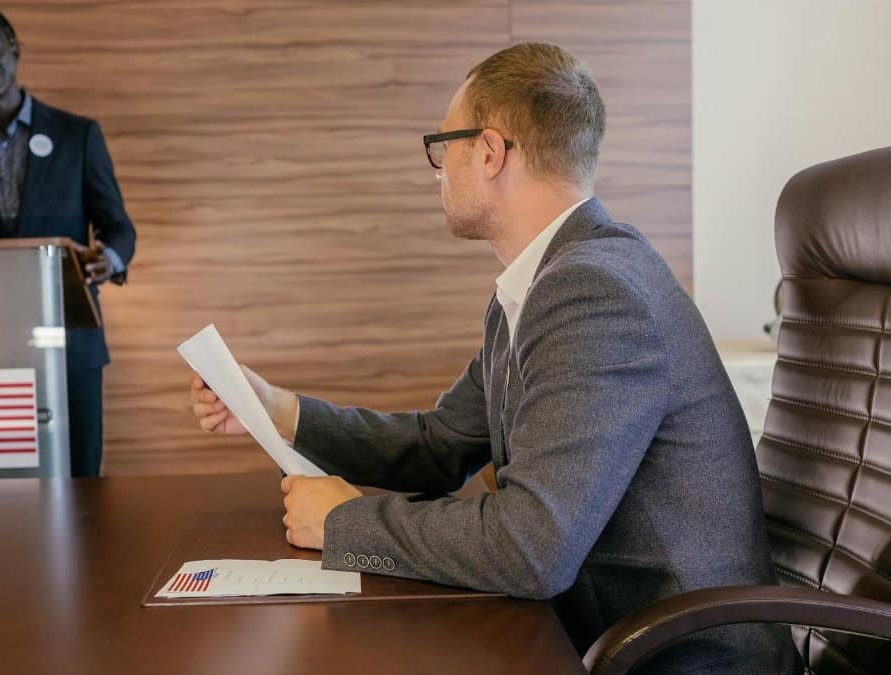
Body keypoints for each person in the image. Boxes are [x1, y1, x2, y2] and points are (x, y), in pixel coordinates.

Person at [190, 43, 798, 673]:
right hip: (592, 634)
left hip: (677, 657)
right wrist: (280, 409)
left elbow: (533, 545)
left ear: (487, 151)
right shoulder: (541, 285)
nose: (437, 169)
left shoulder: (593, 291)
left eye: (441, 145)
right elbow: (440, 445)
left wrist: (348, 523)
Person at [0, 5, 136, 477]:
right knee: (5, 485)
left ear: (14, 51)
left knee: (83, 484)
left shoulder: (77, 135)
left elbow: (118, 225)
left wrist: (111, 259)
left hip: (73, 340)